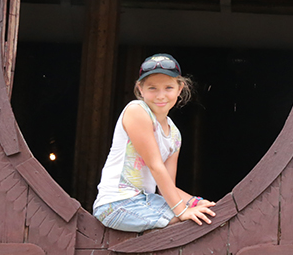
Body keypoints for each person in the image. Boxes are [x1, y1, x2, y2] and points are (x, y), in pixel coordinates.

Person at [92, 53, 216, 232]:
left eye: (168, 88)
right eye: (152, 88)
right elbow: (155, 166)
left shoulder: (174, 135)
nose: (161, 95)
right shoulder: (137, 111)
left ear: (180, 89)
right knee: (189, 222)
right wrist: (183, 210)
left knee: (201, 213)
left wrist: (195, 201)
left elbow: (166, 188)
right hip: (117, 204)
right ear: (140, 89)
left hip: (147, 202)